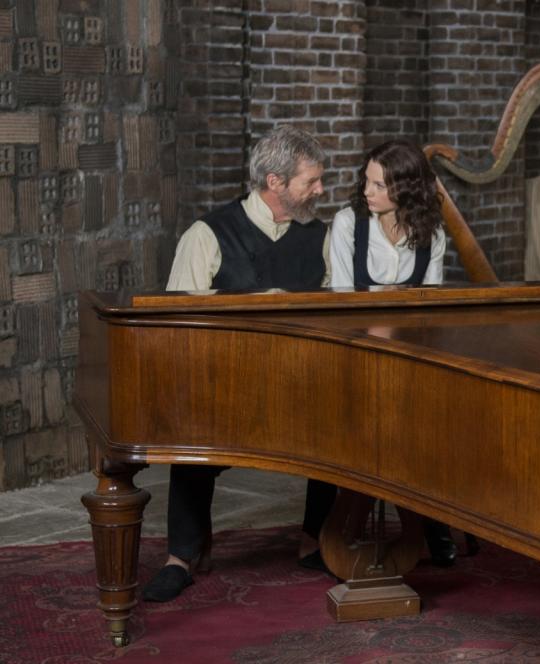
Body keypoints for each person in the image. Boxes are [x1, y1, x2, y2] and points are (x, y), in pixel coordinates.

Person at [142, 125, 337, 602]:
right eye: (311, 181)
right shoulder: (206, 234)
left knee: (342, 424)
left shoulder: (323, 237)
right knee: (191, 435)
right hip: (223, 384)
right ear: (275, 181)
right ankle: (182, 556)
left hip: (302, 381)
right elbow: (176, 324)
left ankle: (318, 539)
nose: (320, 190)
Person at [329, 139, 458, 566]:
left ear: (405, 189)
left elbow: (430, 311)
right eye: (366, 181)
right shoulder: (349, 224)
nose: (367, 191)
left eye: (379, 185)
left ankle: (428, 517)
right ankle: (352, 524)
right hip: (356, 355)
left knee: (431, 426)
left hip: (410, 357)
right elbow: (343, 304)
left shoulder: (431, 232)